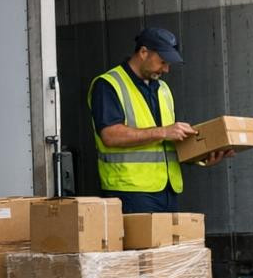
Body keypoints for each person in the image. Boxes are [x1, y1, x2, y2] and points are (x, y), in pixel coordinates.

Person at [88, 26, 231, 214]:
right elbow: (110, 135)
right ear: (143, 52)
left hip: (168, 191)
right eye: (162, 61)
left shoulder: (162, 88)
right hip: (129, 191)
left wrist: (202, 156)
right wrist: (163, 131)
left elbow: (167, 144)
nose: (166, 69)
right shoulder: (108, 85)